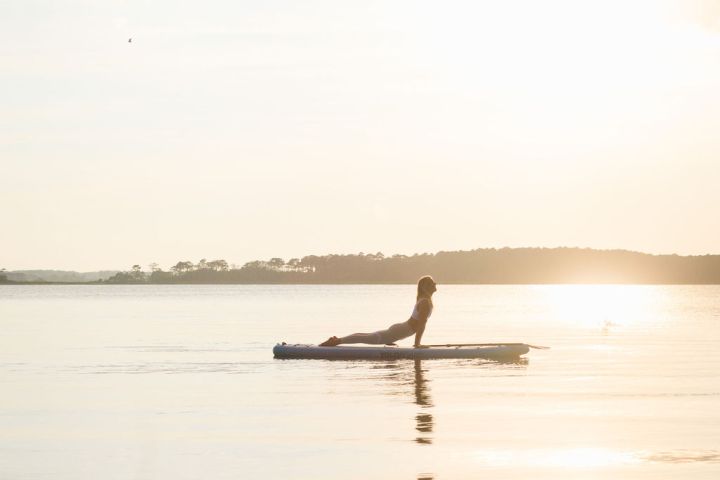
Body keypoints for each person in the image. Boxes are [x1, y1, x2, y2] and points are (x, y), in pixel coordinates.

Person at [319, 276, 437, 347]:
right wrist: (417, 344)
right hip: (398, 331)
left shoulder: (424, 300)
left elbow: (419, 324)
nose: (435, 284)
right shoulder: (425, 302)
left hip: (398, 331)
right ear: (426, 287)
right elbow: (421, 325)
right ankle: (336, 341)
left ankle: (337, 340)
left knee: (364, 336)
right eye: (432, 283)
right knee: (364, 338)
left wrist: (392, 338)